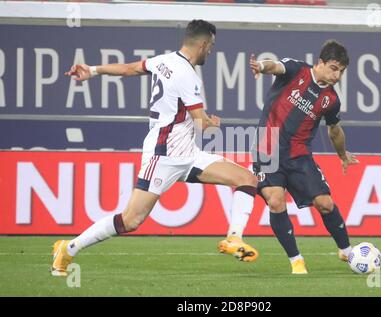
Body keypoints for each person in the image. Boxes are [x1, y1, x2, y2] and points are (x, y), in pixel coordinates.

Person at [52, 19, 259, 277]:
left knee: (246, 179)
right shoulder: (187, 75)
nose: (211, 51)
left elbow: (129, 69)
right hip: (163, 155)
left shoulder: (164, 61)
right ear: (203, 44)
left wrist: (93, 70)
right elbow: (202, 123)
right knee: (131, 220)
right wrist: (213, 123)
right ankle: (69, 248)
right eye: (211, 46)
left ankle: (233, 239)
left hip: (188, 154)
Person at [247, 40, 359, 274]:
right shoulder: (297, 70)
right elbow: (275, 66)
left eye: (341, 71)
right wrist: (261, 66)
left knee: (325, 204)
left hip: (299, 157)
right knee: (275, 201)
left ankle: (347, 251)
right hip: (267, 150)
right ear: (320, 63)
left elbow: (335, 130)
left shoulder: (331, 100)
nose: (337, 76)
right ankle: (296, 260)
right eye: (334, 68)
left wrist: (342, 155)